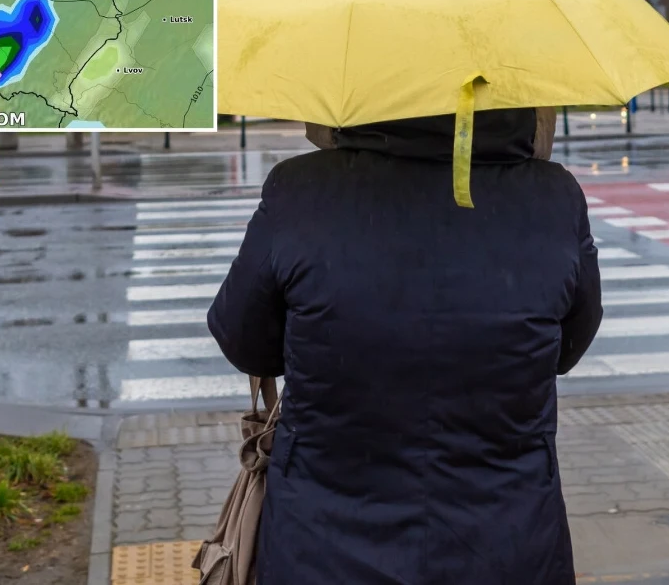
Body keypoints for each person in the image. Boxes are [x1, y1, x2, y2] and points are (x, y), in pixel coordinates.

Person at [206, 107, 602, 584]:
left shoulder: (301, 190)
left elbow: (243, 342)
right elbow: (568, 346)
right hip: (506, 542)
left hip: (324, 546)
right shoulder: (553, 196)